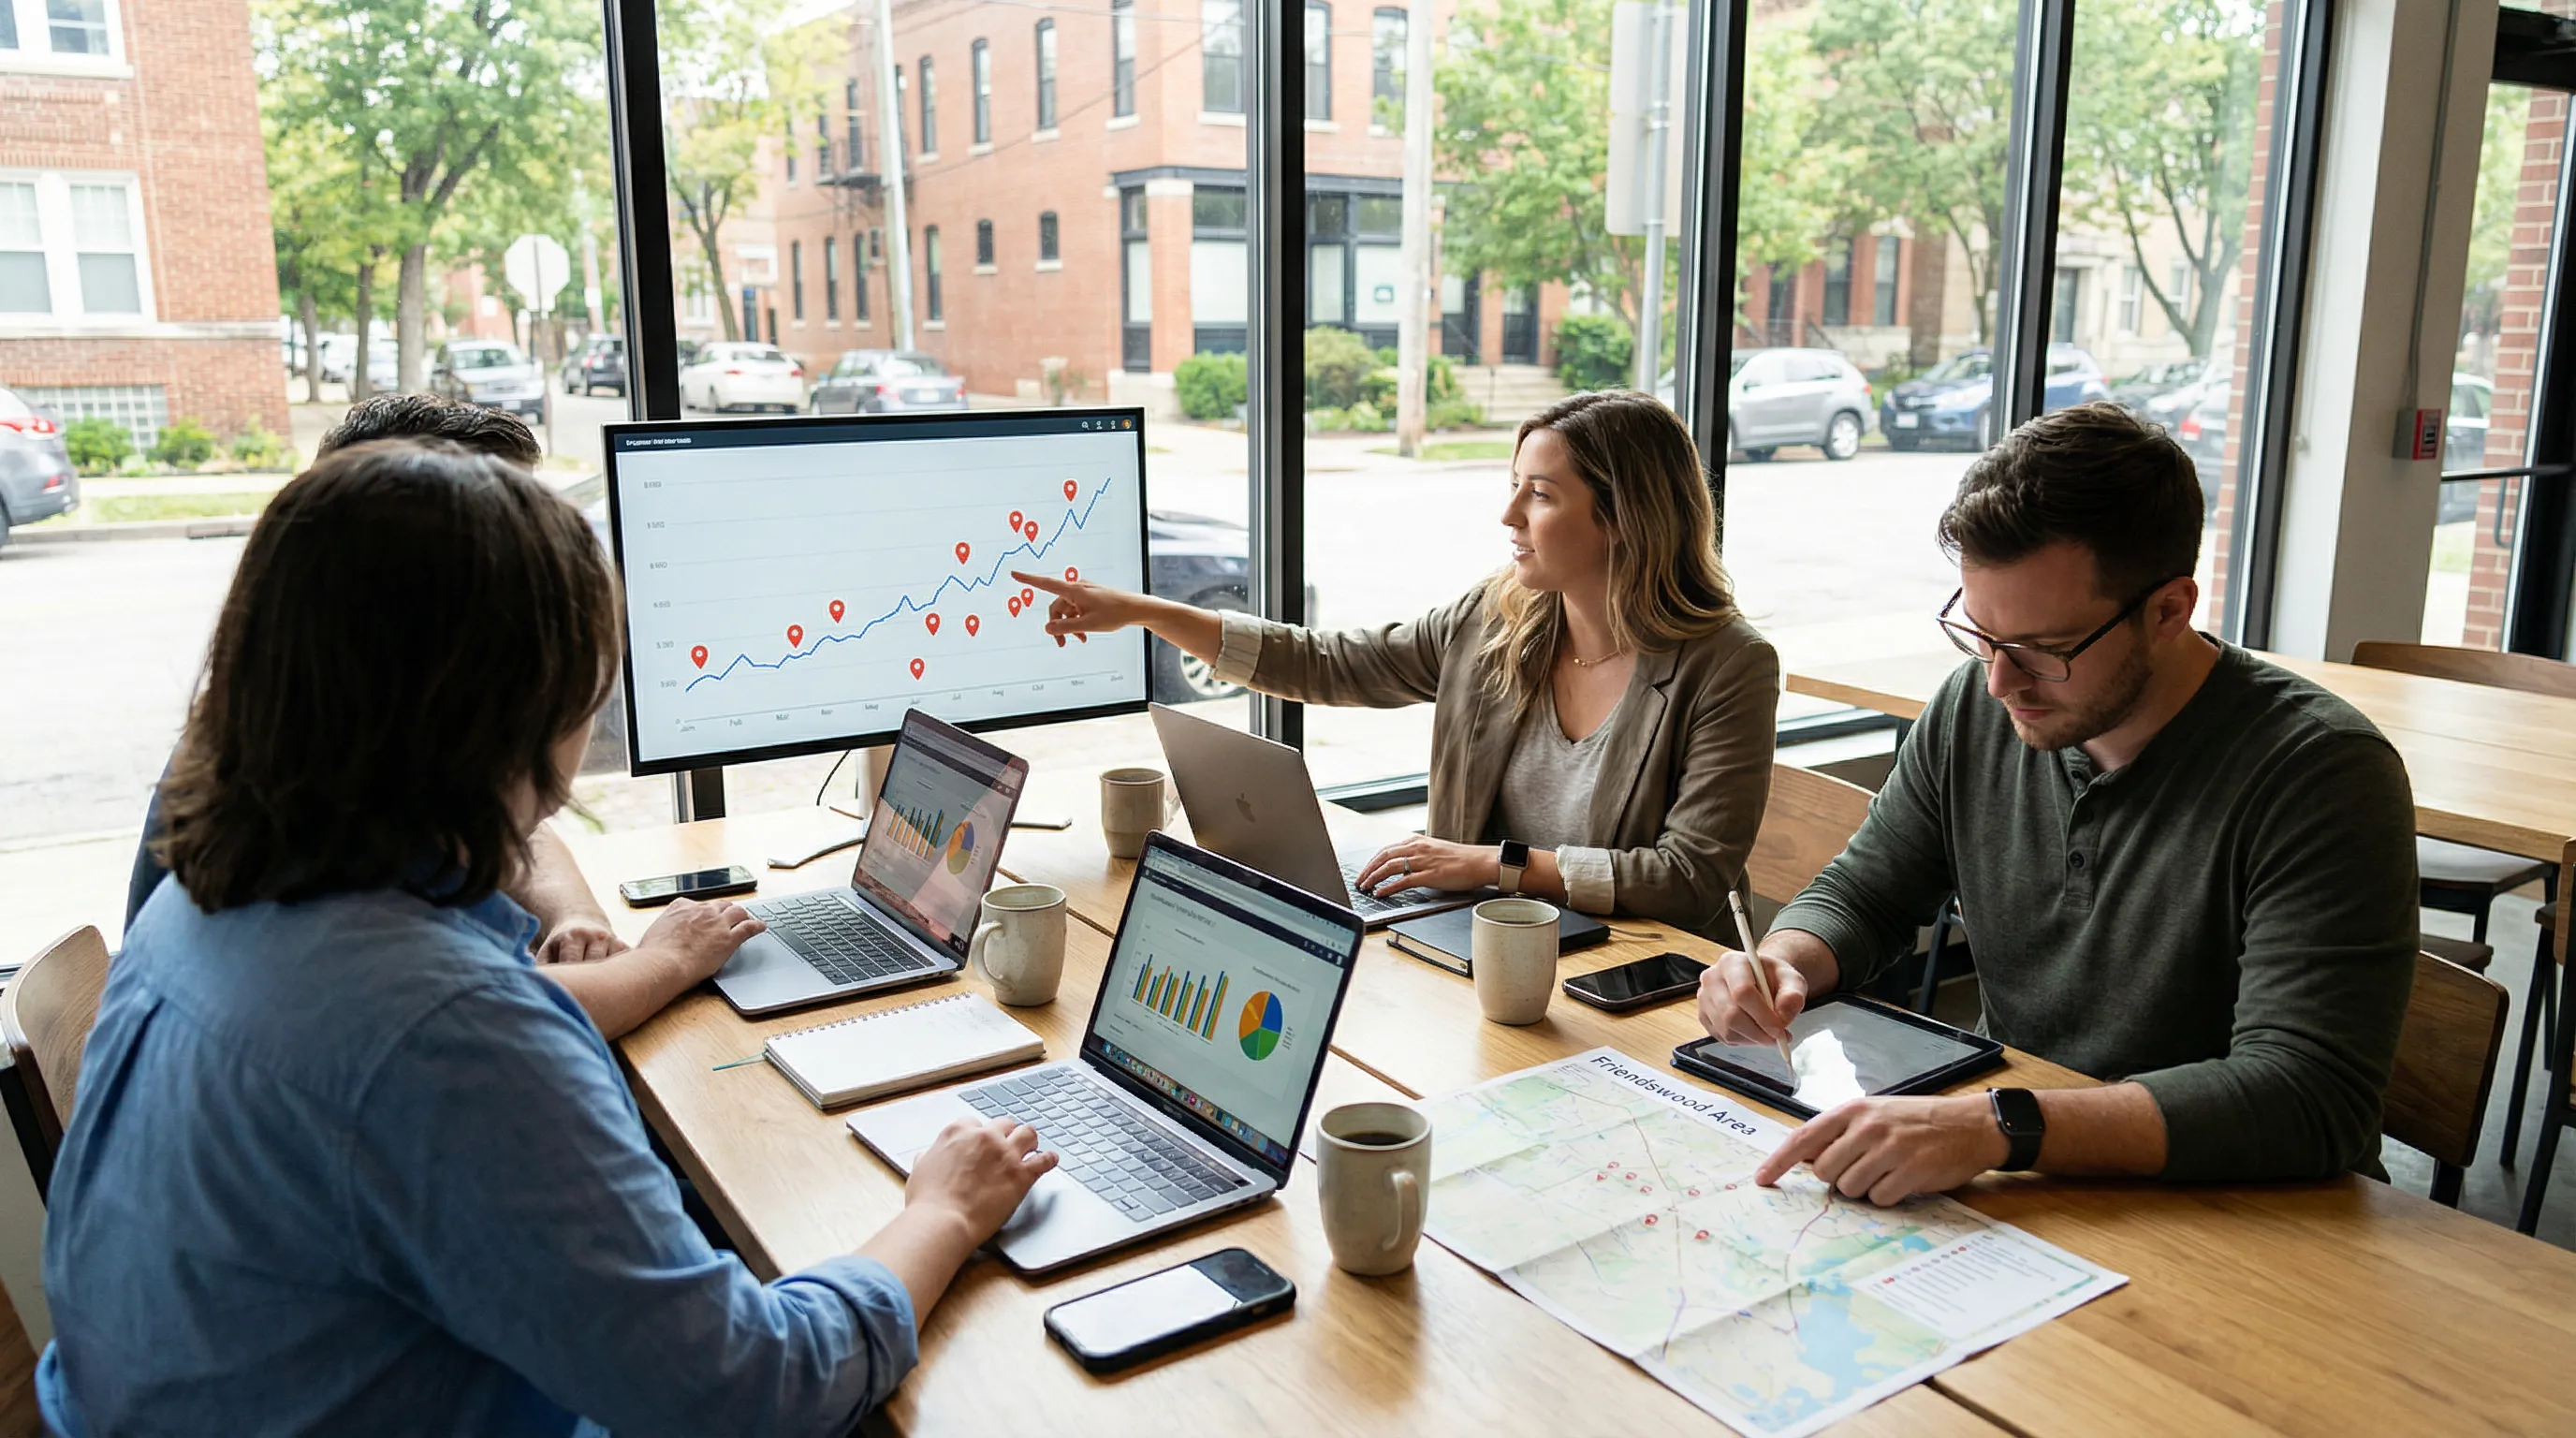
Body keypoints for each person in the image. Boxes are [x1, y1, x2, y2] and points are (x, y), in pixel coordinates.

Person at [41, 440, 1058, 1435]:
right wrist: (946, 1211)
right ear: (522, 704)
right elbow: (752, 1393)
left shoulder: (200, 904)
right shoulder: (444, 1034)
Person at [1697, 402, 2418, 1200]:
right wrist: (1782, 960)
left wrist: (1997, 1126)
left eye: (2043, 650)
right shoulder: (1976, 706)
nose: (2002, 681)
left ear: (2170, 610)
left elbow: (2308, 1096)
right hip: (2028, 1173)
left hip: (2246, 1206)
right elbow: (1869, 892)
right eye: (1981, 634)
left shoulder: (2320, 773)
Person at [1016, 389, 1779, 935]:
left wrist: (1491, 866)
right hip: (1481, 943)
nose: (1509, 516)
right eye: (1513, 487)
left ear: (1624, 519)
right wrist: (1151, 613)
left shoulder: (1728, 666)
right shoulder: (1496, 620)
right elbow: (1333, 664)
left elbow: (1687, 879)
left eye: (1540, 495)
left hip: (1636, 978)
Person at [120, 393, 717, 1038]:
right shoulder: (401, 987)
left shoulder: (283, 748)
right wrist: (667, 961)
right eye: (507, 537)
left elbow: (496, 822)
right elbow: (482, 1021)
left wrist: (576, 917)